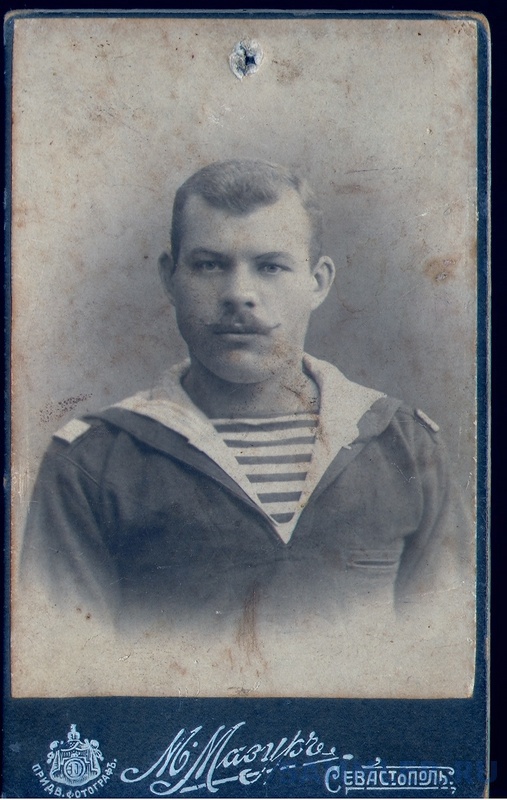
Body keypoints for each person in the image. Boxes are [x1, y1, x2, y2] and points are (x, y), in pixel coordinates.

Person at [21, 159, 473, 644]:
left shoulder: (403, 445)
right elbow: (67, 664)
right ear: (170, 278)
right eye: (209, 265)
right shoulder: (92, 462)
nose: (239, 294)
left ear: (318, 282)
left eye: (271, 266)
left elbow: (444, 657)